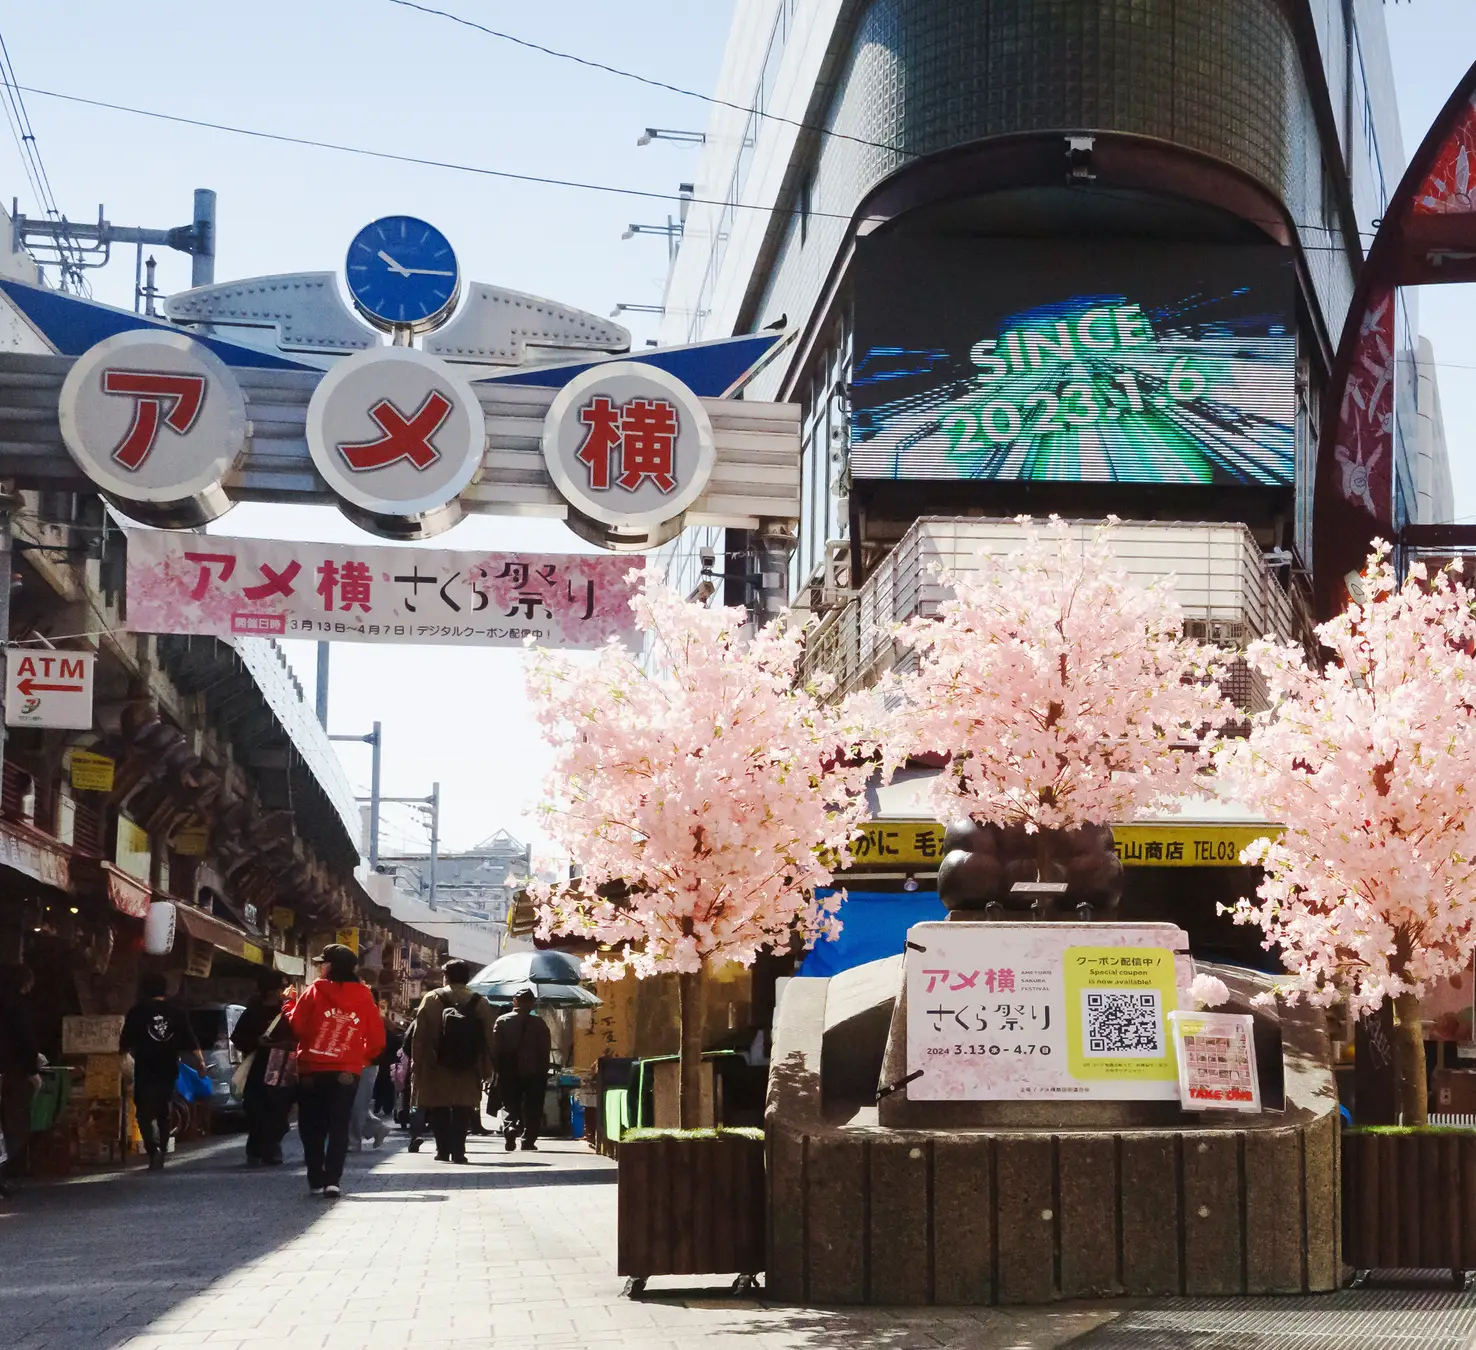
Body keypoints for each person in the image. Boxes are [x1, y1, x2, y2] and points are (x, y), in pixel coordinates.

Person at [287, 944, 385, 1198]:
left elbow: (297, 1027)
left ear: (329, 966)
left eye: (323, 963)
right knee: (339, 1124)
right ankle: (333, 1180)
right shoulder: (364, 996)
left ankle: (315, 1177)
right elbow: (377, 1040)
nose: (320, 967)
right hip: (345, 1072)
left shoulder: (314, 991)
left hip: (311, 1070)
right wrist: (356, 1060)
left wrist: (288, 1006)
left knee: (311, 1125)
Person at [411, 959, 498, 1164]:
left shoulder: (431, 999)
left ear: (446, 976)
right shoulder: (480, 1002)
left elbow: (419, 1034)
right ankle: (459, 1152)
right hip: (469, 1065)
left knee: (439, 1107)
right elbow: (489, 1038)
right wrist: (488, 1067)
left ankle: (443, 1150)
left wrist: (418, 1062)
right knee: (463, 1108)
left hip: (436, 1063)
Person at [119, 974, 203, 1171]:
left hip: (144, 1067)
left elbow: (124, 1043)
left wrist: (121, 1060)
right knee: (164, 1109)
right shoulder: (177, 1011)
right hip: (168, 1066)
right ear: (165, 989)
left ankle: (152, 1148)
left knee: (144, 1112)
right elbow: (190, 1039)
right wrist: (201, 1063)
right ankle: (163, 1150)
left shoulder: (137, 1011)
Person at [230, 970, 295, 1167]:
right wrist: (256, 1042)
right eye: (281, 987)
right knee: (255, 1108)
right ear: (271, 990)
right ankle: (256, 1147)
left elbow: (300, 1034)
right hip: (259, 1068)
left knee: (280, 1108)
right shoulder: (253, 1012)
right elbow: (238, 1038)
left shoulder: (287, 1011)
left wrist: (287, 1045)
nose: (284, 991)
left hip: (284, 1066)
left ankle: (272, 1146)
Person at [493, 986, 552, 1152]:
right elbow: (545, 1049)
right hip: (534, 1072)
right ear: (532, 1003)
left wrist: (495, 1069)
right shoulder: (539, 1023)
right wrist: (543, 1069)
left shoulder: (502, 1021)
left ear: (515, 1002)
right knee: (533, 1106)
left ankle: (510, 1127)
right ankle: (528, 1140)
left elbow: (495, 1048)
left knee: (508, 1104)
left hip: (508, 1071)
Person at [0, 964, 42, 1193]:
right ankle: (5, 1170)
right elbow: (25, 1039)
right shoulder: (17, 1006)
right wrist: (32, 1070)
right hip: (11, 1071)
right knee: (15, 1123)